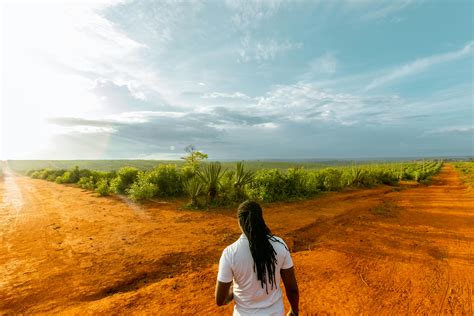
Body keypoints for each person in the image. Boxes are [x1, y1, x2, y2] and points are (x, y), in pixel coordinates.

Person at [215, 200, 299, 316]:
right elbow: (292, 289)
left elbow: (220, 300)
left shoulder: (230, 253)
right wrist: (294, 311)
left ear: (239, 222)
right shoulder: (279, 245)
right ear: (261, 219)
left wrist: (235, 290)